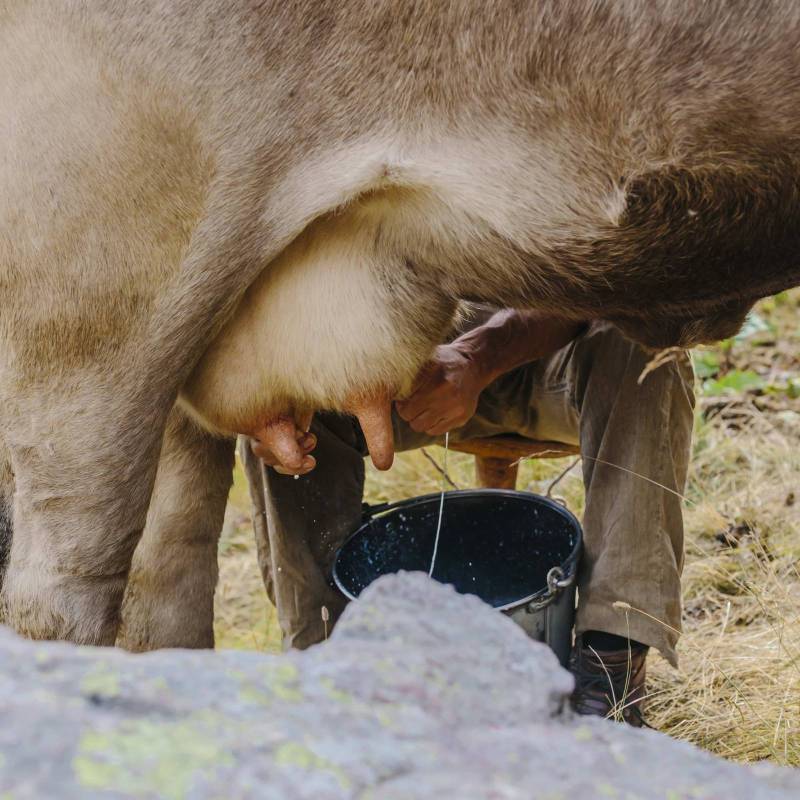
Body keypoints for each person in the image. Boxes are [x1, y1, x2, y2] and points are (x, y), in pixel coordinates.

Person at [241, 308, 695, 726]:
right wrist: (264, 409)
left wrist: (477, 359)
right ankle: (326, 663)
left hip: (552, 341)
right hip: (393, 357)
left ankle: (609, 674)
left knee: (649, 347)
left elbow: (611, 276)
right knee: (285, 406)